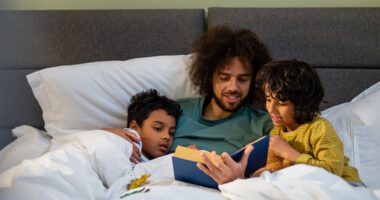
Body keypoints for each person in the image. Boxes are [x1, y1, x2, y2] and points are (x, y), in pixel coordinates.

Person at [106, 25, 273, 162]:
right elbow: (132, 136)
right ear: (209, 75)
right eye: (224, 77)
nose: (233, 87)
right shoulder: (175, 111)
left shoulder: (263, 124)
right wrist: (118, 134)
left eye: (242, 79)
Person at [198, 60, 363, 186]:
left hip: (344, 186)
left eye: (281, 103)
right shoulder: (277, 131)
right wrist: (249, 177)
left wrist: (290, 153)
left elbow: (333, 171)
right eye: (269, 99)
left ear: (301, 102)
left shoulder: (319, 128)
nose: (271, 108)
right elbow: (274, 166)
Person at [105, 89, 182, 163]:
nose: (167, 136)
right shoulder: (120, 147)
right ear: (134, 127)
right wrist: (112, 133)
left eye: (171, 133)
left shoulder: (162, 162)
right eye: (158, 128)